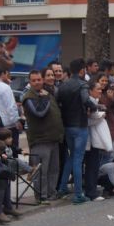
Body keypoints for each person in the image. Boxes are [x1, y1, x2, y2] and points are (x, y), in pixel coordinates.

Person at [56, 58, 98, 204]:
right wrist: (95, 107)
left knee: (71, 157)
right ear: (82, 70)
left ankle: (62, 187)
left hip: (67, 125)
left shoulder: (63, 86)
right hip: (80, 125)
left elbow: (58, 103)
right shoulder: (82, 85)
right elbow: (86, 99)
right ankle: (78, 194)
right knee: (78, 160)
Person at [22, 69, 64, 202]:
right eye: (33, 80)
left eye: (39, 80)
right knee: (41, 171)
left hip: (53, 138)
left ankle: (51, 193)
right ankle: (41, 196)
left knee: (53, 169)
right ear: (30, 82)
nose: (37, 82)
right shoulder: (29, 97)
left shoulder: (46, 93)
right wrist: (45, 98)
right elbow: (39, 112)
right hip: (40, 140)